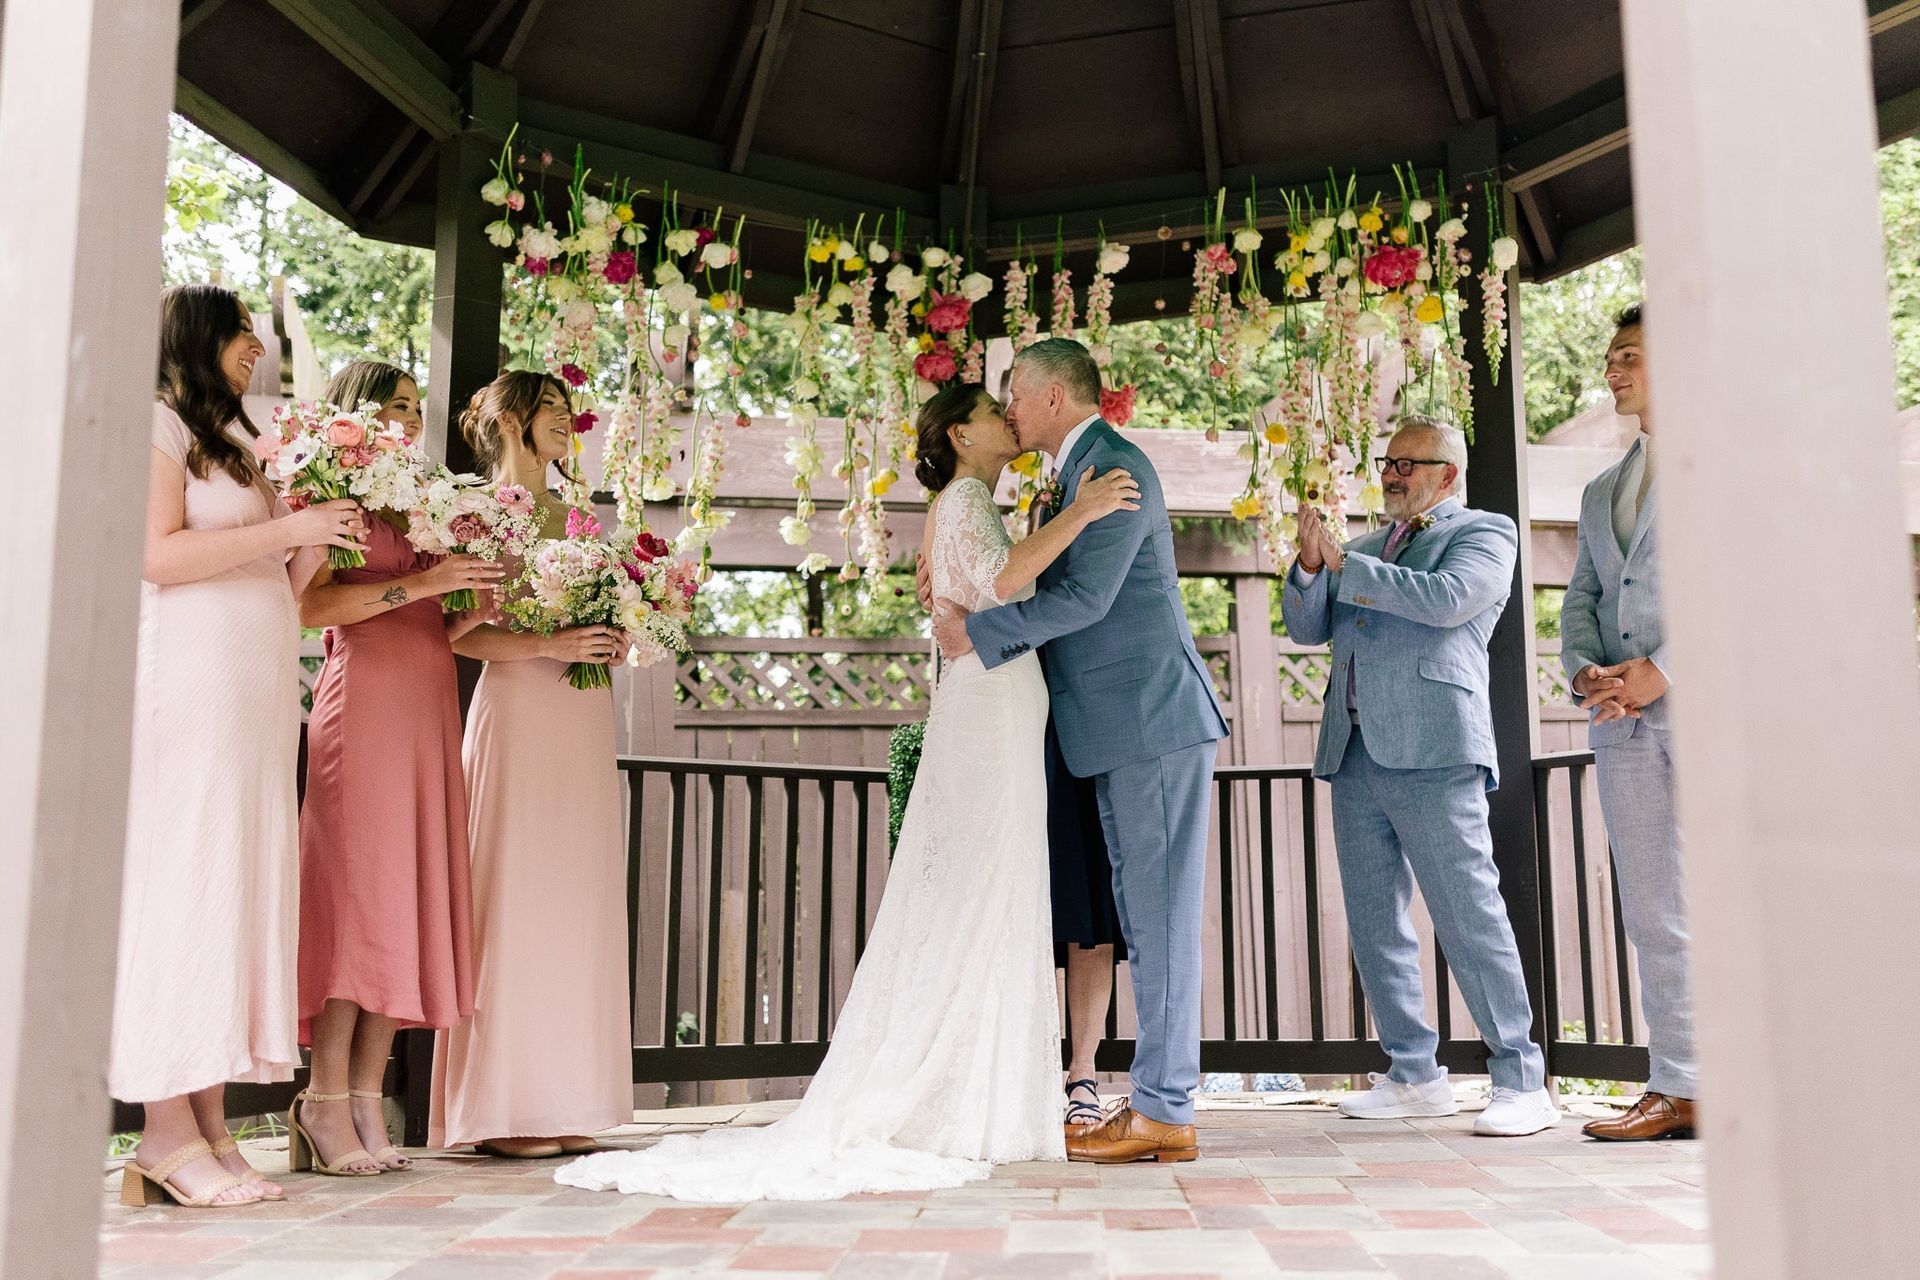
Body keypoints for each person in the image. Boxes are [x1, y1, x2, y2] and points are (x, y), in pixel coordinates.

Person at [556, 382, 1139, 1200]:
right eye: (992, 413)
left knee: (994, 890)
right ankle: (967, 1084)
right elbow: (1004, 583)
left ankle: (994, 1079)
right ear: (961, 436)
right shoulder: (967, 496)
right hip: (993, 703)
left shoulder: (971, 499)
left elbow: (982, 588)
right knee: (984, 885)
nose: (1010, 422)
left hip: (998, 698)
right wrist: (1079, 514)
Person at [933, 339, 1230, 1165]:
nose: (1010, 411)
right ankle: (1158, 1106)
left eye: (1015, 396)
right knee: (1144, 912)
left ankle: (1166, 1108)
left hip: (1152, 722)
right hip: (1117, 728)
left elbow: (1088, 597)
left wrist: (975, 633)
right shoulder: (1075, 478)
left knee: (1161, 920)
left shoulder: (1118, 468)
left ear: (1051, 396)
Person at [113, 283, 366, 1207]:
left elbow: (286, 581)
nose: (256, 344)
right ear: (197, 335)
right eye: (242, 331)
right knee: (185, 891)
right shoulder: (156, 424)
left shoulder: (245, 449)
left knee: (229, 894)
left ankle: (212, 1125)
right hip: (186, 696)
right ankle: (163, 1135)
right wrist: (289, 525)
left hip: (255, 703)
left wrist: (324, 524)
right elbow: (155, 554)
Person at [1280, 416, 1559, 1137]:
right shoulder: (1367, 547)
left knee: (1469, 915)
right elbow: (1307, 630)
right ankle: (1413, 1073)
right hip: (1355, 751)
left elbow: (1447, 601)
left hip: (1436, 747)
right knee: (1375, 923)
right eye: (1389, 461)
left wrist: (1344, 565)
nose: (1395, 473)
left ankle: (1522, 1078)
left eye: (1411, 463)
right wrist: (1310, 567)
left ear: (1449, 475)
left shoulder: (1485, 533)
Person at [290, 360, 501, 1177]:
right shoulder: (333, 491)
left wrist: (471, 593)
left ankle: (369, 1098)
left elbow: (433, 622)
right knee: (358, 900)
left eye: (417, 408)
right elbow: (313, 608)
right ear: (356, 414)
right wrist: (425, 581)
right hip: (364, 705)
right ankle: (323, 1097)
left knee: (403, 898)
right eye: (397, 407)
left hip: (426, 706)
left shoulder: (425, 502)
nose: (413, 420)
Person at [429, 370, 632, 1160]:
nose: (567, 421)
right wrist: (549, 644)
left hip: (581, 715)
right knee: (512, 892)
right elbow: (455, 635)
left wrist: (617, 633)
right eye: (552, 408)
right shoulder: (474, 514)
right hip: (515, 707)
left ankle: (565, 1098)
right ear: (513, 420)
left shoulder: (578, 518)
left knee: (572, 894)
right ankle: (503, 1108)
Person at [1561, 305, 1697, 1141]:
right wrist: (1586, 671)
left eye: (1631, 356)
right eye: (1611, 357)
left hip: (1712, 718)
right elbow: (1582, 598)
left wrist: (1666, 669)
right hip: (1620, 726)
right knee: (1653, 909)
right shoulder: (1599, 489)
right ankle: (1680, 1084)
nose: (1613, 370)